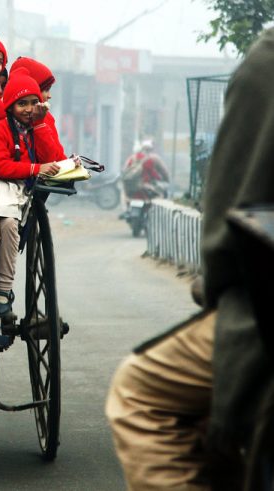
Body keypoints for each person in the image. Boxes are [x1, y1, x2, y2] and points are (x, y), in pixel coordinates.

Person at [105, 27, 274, 489]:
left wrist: (215, 288)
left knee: (139, 392)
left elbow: (228, 225)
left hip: (262, 308)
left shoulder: (267, 58)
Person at [0, 73, 61, 315]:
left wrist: (39, 124)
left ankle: (3, 291)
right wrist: (37, 168)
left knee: (8, 227)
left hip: (19, 192)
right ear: (10, 106)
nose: (28, 110)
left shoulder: (39, 127)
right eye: (21, 104)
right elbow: (0, 166)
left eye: (32, 103)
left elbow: (55, 159)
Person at [10, 57, 67, 160]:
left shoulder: (46, 118)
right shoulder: (4, 122)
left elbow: (56, 158)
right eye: (46, 89)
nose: (49, 96)